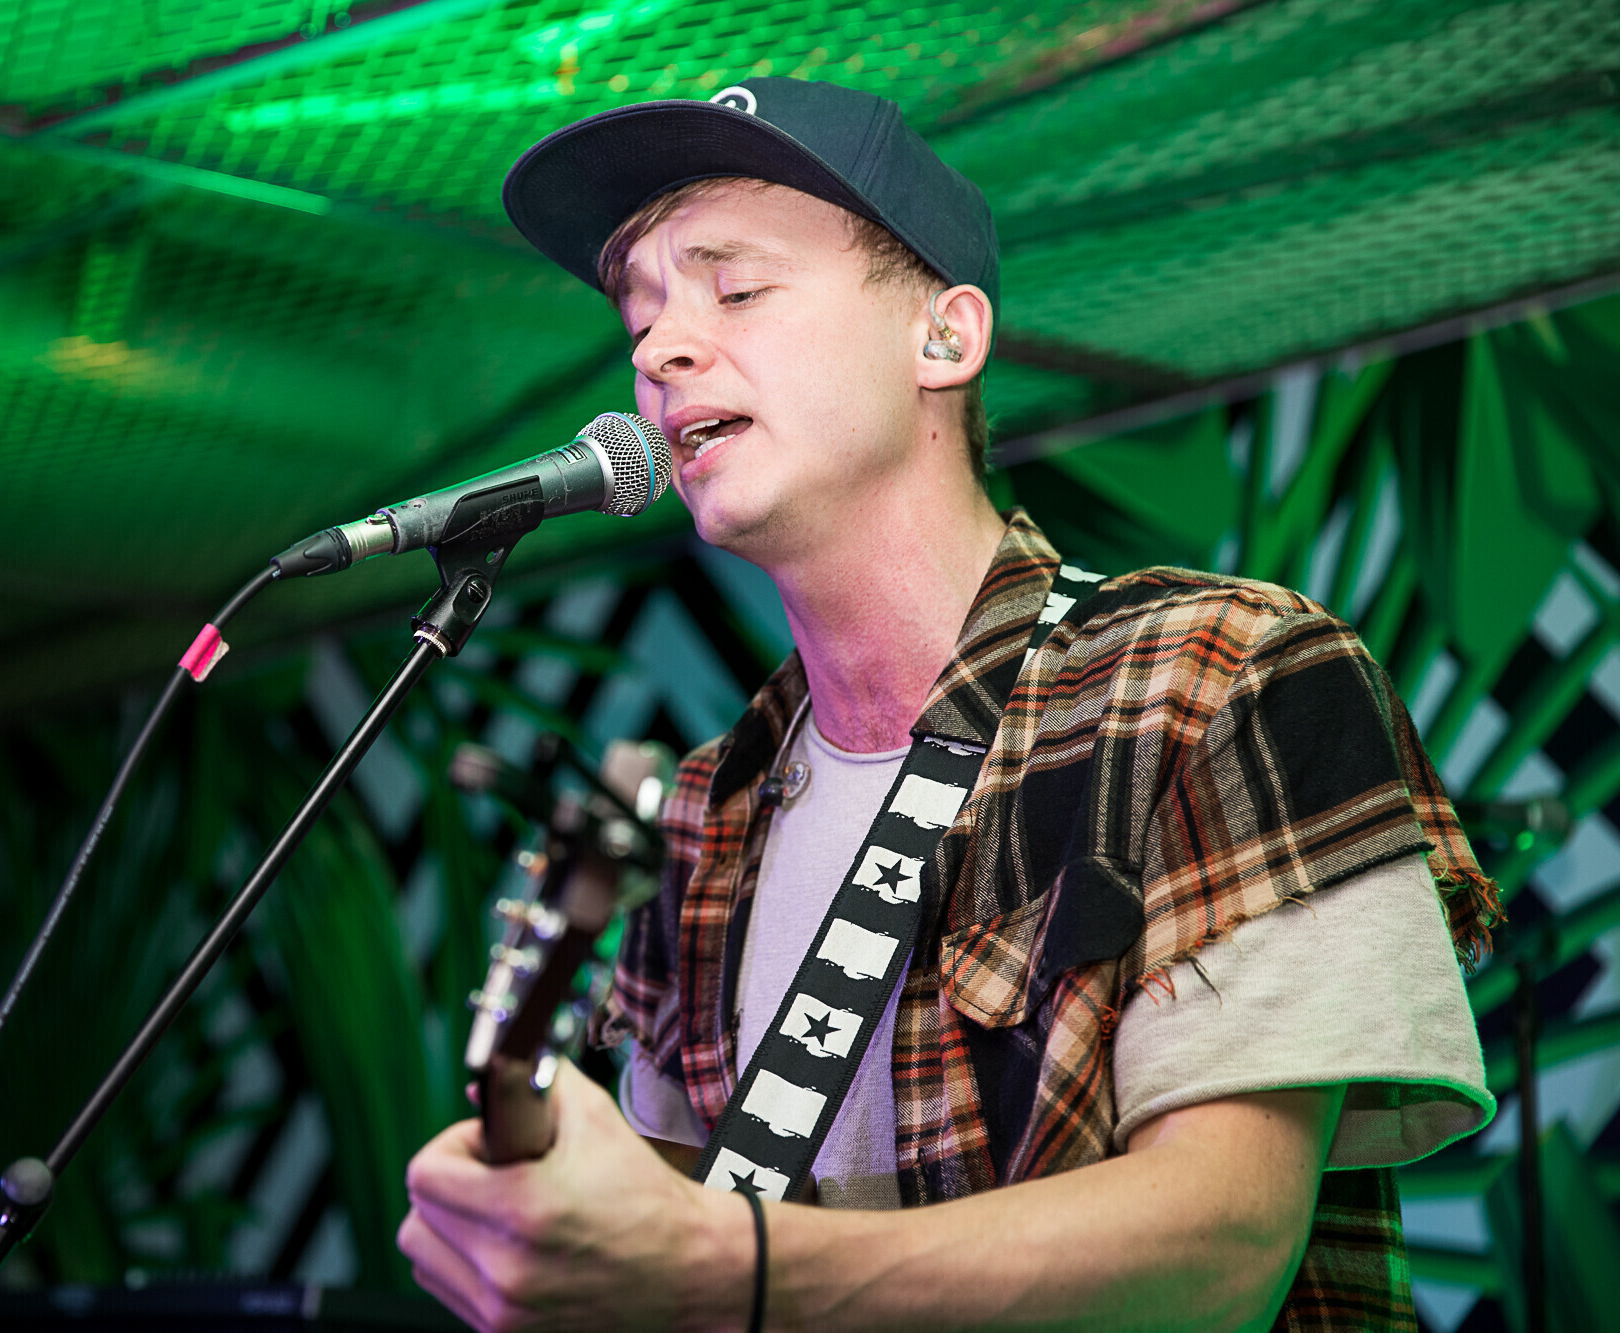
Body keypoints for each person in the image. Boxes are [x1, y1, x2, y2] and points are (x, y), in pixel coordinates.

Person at [401, 77, 1498, 1331]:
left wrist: (727, 1262)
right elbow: (662, 1254)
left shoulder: (1221, 673)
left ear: (943, 338)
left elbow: (1222, 1249)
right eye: (640, 313)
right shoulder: (698, 809)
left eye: (734, 288)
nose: (656, 351)